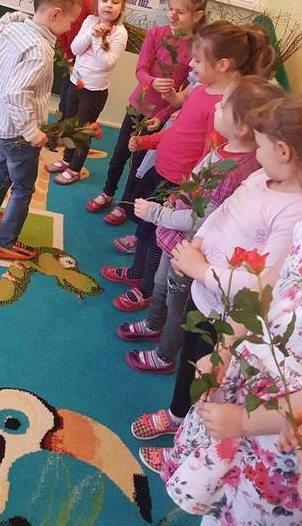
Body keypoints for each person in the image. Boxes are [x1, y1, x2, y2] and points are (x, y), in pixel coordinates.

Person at [131, 93, 302, 448]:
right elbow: (221, 212)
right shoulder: (262, 177)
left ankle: (186, 431)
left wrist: (202, 270)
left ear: (283, 151)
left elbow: (261, 284)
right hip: (202, 291)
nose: (256, 153)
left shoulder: (292, 213)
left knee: (209, 380)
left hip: (226, 313)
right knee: (191, 358)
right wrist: (197, 244)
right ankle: (180, 416)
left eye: (261, 145)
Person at [102, 20, 276, 313]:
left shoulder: (224, 108)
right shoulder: (200, 90)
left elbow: (210, 157)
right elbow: (178, 130)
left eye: (197, 60)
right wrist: (147, 142)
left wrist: (185, 191)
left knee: (157, 238)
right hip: (163, 171)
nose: (190, 65)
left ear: (222, 64)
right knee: (145, 228)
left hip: (178, 183)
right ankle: (136, 272)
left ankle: (145, 288)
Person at [141, 217, 302, 526]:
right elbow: (262, 290)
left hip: (278, 421)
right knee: (220, 493)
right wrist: (224, 350)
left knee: (245, 509)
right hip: (250, 369)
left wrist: (244, 421)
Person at [118, 76, 284, 374]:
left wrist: (158, 214)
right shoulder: (223, 149)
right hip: (182, 239)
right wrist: (176, 198)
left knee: (177, 304)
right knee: (161, 284)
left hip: (191, 245)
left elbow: (205, 214)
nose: (216, 106)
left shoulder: (237, 169)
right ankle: (153, 323)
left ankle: (164, 355)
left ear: (241, 127)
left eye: (224, 106)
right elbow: (195, 183)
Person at [85, 0, 208, 226]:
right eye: (170, 8)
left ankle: (125, 204)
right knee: (120, 153)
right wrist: (152, 82)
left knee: (139, 163)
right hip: (137, 105)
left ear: (197, 16)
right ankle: (108, 192)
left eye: (180, 11)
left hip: (161, 115)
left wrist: (162, 116)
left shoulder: (196, 48)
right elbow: (141, 69)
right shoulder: (155, 34)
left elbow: (187, 91)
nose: (172, 15)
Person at [0, 0, 82, 261]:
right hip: (18, 131)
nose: (70, 28)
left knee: (2, 170)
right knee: (23, 187)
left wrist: (16, 16)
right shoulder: (40, 50)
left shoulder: (14, 29)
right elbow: (16, 94)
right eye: (71, 21)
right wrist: (32, 132)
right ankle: (5, 242)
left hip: (0, 123)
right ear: (55, 14)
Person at [45, 0, 129, 185]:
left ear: (122, 6)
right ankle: (67, 160)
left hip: (94, 91)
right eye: (104, 0)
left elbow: (105, 63)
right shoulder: (91, 21)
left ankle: (75, 169)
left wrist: (98, 39)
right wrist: (92, 33)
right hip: (76, 82)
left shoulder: (120, 33)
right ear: (97, 1)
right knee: (69, 124)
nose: (109, 5)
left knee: (83, 131)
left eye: (115, 2)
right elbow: (75, 49)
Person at [53, 0, 94, 118]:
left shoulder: (90, 4)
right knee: (65, 102)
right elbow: (60, 35)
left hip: (87, 62)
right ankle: (61, 130)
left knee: (80, 107)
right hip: (71, 61)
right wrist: (69, 61)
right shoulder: (55, 3)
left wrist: (82, 61)